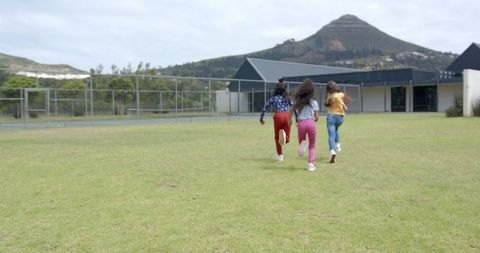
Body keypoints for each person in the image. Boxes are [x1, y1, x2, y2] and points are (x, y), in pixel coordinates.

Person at [259, 78, 293, 161]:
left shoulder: (274, 98)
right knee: (287, 137)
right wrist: (297, 119)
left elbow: (265, 107)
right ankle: (286, 138)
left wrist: (261, 118)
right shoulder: (287, 98)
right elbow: (293, 106)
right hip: (287, 115)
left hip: (278, 116)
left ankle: (280, 155)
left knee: (277, 137)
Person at [290, 79, 319, 171]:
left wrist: (291, 120)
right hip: (311, 123)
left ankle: (303, 144)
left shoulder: (299, 102)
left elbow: (293, 111)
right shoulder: (314, 103)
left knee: (302, 142)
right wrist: (314, 119)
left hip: (301, 123)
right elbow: (317, 117)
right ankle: (311, 164)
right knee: (312, 145)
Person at [324, 80, 351, 163]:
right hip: (340, 118)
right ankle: (338, 144)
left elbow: (326, 104)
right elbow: (346, 101)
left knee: (331, 135)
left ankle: (332, 151)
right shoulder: (341, 95)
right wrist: (344, 105)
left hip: (331, 117)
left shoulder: (330, 97)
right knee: (336, 130)